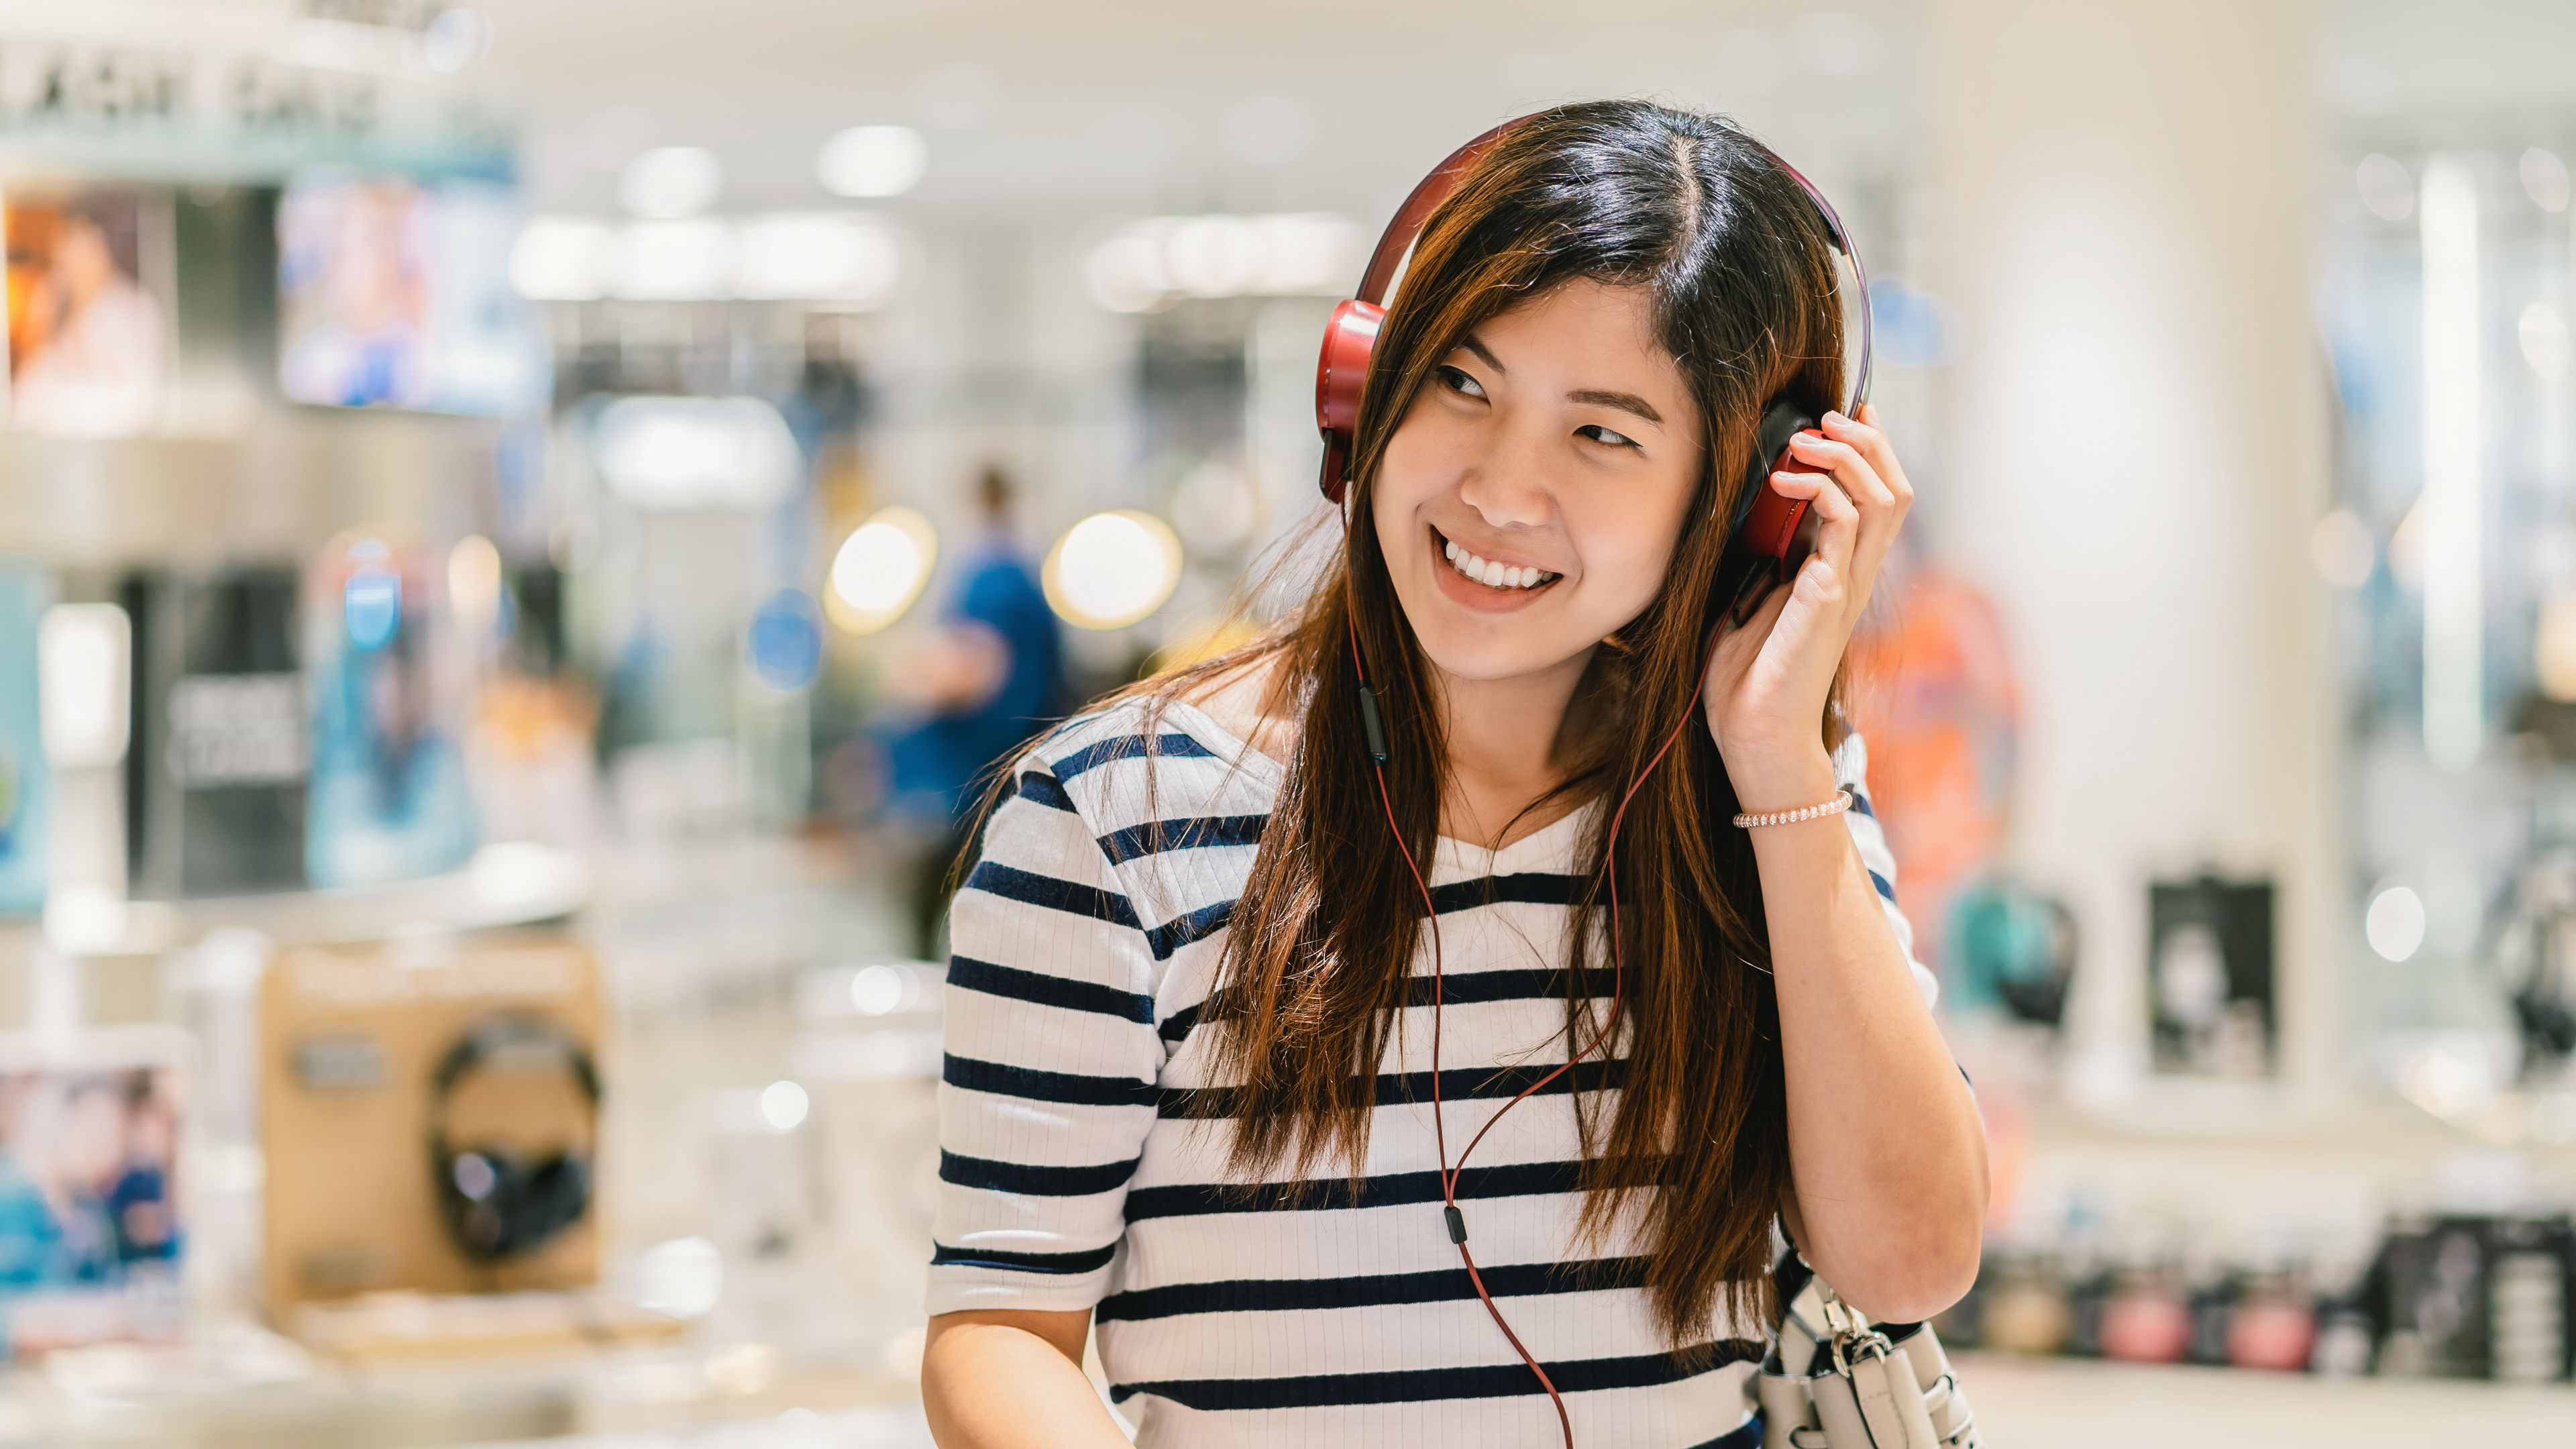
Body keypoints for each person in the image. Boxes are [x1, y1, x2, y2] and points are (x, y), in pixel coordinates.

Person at [920, 103, 1986, 1448]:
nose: (1499, 488)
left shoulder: (1769, 803)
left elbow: (1912, 1261)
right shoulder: (1107, 824)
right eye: (1462, 385)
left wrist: (1779, 766)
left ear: (1744, 506)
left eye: (1603, 436)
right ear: (1363, 395)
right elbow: (1000, 1334)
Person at [884, 465, 1067, 955]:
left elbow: (973, 665)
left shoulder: (993, 578)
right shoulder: (1021, 574)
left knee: (954, 898)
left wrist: (915, 679)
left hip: (979, 770)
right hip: (1004, 759)